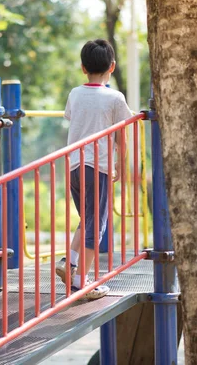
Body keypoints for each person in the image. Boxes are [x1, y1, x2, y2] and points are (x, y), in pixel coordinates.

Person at [55, 39, 133, 300]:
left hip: (74, 165)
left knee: (87, 219)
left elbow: (71, 116)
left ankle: (70, 263)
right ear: (112, 66)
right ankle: (81, 282)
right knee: (95, 225)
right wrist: (120, 166)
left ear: (82, 68)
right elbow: (121, 134)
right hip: (97, 166)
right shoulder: (115, 97)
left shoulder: (75, 94)